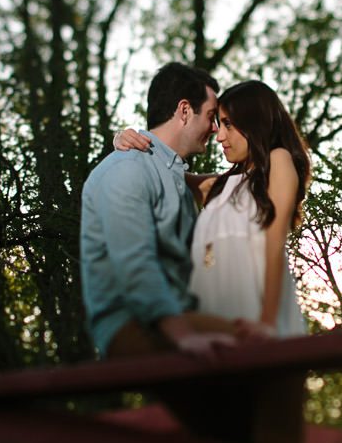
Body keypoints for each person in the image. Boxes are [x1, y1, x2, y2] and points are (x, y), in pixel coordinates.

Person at [115, 80, 310, 338]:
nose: (219, 136)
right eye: (218, 123)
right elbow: (166, 169)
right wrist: (126, 139)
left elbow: (274, 244)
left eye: (228, 124)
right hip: (211, 323)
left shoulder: (279, 160)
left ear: (256, 122)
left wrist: (267, 322)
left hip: (257, 323)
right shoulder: (220, 187)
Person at [80, 62, 238, 360]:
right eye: (211, 116)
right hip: (135, 325)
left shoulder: (175, 178)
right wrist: (185, 337)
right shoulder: (127, 170)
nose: (215, 128)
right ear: (184, 111)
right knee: (256, 350)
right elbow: (135, 266)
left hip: (181, 316)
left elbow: (235, 185)